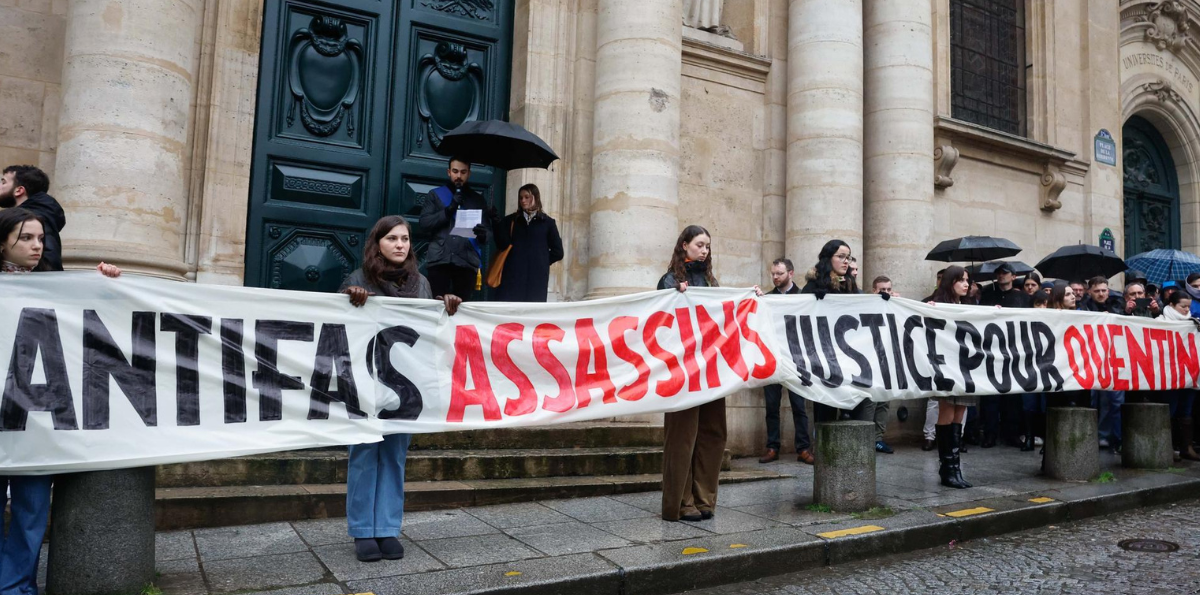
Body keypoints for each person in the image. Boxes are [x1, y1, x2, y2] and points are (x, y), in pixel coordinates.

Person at [0, 208, 120, 595]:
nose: (37, 246)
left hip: (36, 420)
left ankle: (15, 589)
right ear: (2, 242)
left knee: (31, 512)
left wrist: (105, 285)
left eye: (40, 238)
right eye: (26, 238)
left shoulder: (53, 287)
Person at [339, 215, 461, 562]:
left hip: (405, 388)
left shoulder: (421, 283)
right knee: (364, 455)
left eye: (405, 239)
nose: (400, 244)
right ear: (377, 242)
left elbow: (429, 328)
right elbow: (336, 328)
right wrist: (350, 298)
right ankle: (363, 530)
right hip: (364, 383)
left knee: (394, 456)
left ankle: (387, 529)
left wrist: (447, 306)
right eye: (392, 238)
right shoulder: (357, 279)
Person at [658, 225, 726, 522]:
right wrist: (674, 295)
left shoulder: (711, 281)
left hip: (710, 367)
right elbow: (659, 321)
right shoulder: (669, 280)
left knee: (713, 433)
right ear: (684, 245)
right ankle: (680, 502)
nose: (704, 250)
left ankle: (704, 498)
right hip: (681, 370)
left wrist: (750, 298)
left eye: (708, 246)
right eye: (700, 244)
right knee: (682, 437)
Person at [801, 240, 873, 424]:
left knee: (853, 404)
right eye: (841, 257)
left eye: (847, 257)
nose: (845, 261)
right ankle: (825, 449)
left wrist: (884, 300)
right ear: (828, 258)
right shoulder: (813, 286)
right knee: (826, 407)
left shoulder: (850, 285)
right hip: (824, 357)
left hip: (848, 356)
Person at [924, 266, 975, 488]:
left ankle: (954, 468)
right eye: (961, 280)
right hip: (946, 367)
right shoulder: (936, 302)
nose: (966, 284)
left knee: (960, 413)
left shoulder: (968, 306)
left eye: (967, 280)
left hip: (965, 368)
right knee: (947, 410)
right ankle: (947, 469)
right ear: (950, 282)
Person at [418, 157, 496, 301]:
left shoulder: (478, 200)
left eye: (463, 172)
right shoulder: (435, 195)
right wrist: (449, 210)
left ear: (469, 173)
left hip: (466, 262)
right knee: (437, 306)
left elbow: (488, 235)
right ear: (449, 172)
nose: (459, 176)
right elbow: (424, 223)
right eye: (455, 171)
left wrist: (483, 234)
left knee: (462, 310)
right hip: (440, 260)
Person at [759, 258, 813, 464]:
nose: (775, 277)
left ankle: (803, 448)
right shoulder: (767, 298)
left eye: (779, 273)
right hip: (772, 358)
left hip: (796, 359)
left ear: (790, 273)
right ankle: (772, 447)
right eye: (773, 273)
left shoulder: (802, 296)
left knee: (799, 406)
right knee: (771, 406)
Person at [492, 184, 564, 302]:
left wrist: (541, 261)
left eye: (527, 197)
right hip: (512, 277)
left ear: (536, 197)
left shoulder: (547, 222)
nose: (523, 201)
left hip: (537, 278)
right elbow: (502, 245)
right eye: (521, 198)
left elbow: (558, 252)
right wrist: (496, 223)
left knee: (533, 313)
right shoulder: (511, 220)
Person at [1158, 290, 1200, 461]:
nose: (1186, 310)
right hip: (1170, 375)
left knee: (1186, 409)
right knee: (1171, 408)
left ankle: (1186, 447)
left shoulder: (1194, 322)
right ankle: (1167, 446)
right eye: (1182, 307)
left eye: (1188, 307)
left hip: (1190, 373)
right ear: (1171, 305)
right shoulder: (1160, 322)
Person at [0, 165, 65, 271]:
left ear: (19, 190)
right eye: (26, 238)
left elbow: (50, 266)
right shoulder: (45, 214)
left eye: (3, 182)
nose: (38, 246)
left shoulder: (34, 219)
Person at [870, 275, 896, 454]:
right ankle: (866, 438)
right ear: (874, 291)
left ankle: (878, 438)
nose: (885, 293)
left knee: (884, 402)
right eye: (882, 290)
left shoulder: (894, 304)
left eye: (888, 289)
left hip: (887, 360)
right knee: (870, 402)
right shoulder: (868, 305)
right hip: (870, 361)